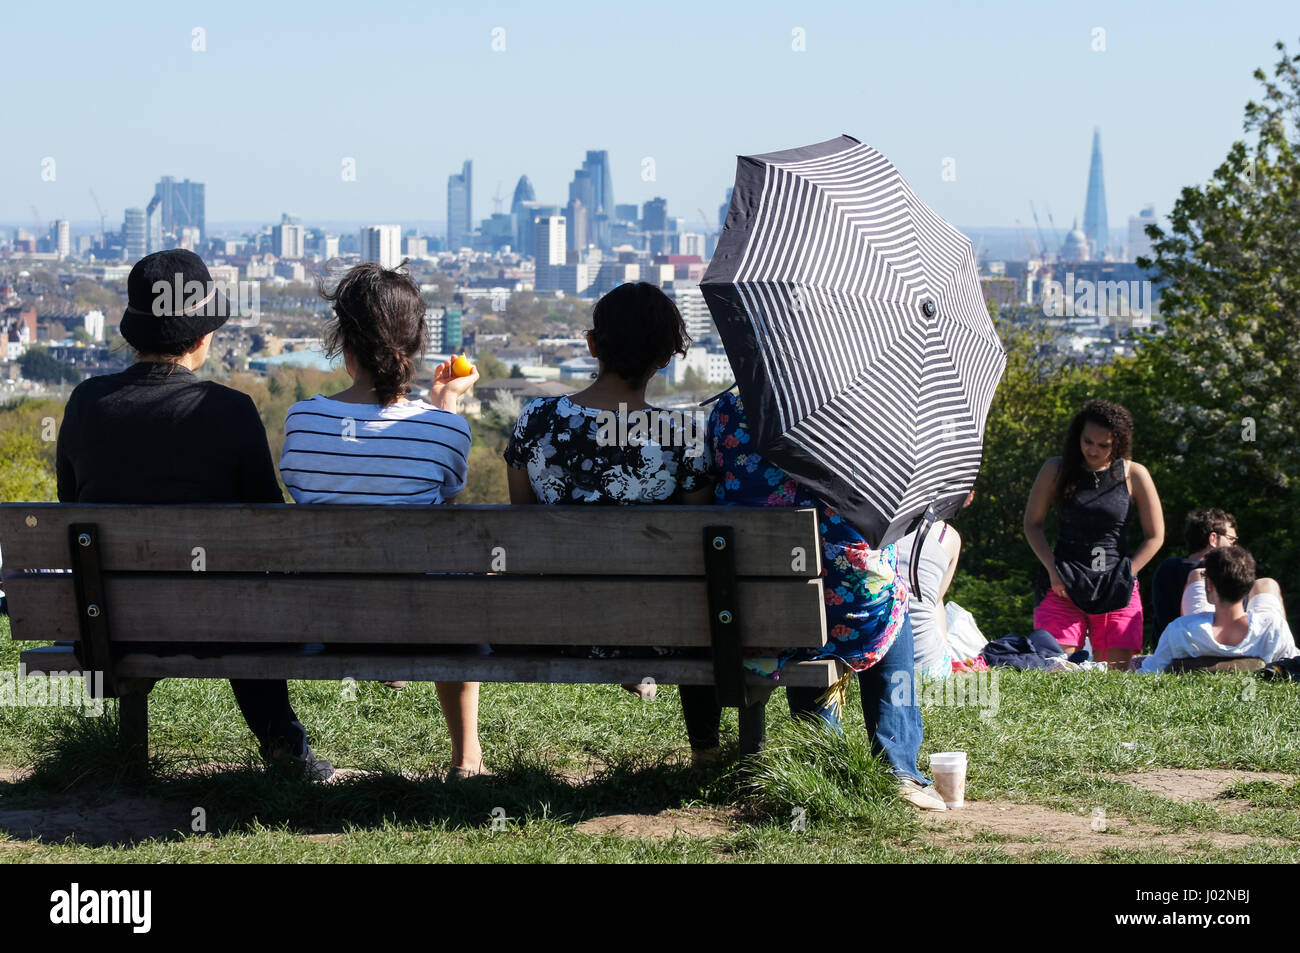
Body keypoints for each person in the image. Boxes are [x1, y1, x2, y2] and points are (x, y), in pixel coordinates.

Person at [55, 249, 333, 781]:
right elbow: (270, 528)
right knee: (241, 594)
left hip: (110, 624)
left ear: (134, 332)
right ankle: (281, 746)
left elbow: (72, 507)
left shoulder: (85, 402)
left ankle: (125, 757)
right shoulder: (228, 411)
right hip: (224, 622)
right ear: (203, 337)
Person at [279, 261, 485, 781]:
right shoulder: (445, 431)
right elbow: (444, 497)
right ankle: (467, 759)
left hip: (323, 621)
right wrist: (444, 408)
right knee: (457, 581)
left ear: (343, 341)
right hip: (423, 620)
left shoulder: (302, 421)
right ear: (415, 345)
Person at [693, 389, 946, 812]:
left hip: (751, 607)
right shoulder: (864, 405)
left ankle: (823, 750)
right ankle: (899, 768)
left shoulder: (728, 410)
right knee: (889, 600)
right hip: (849, 606)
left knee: (802, 610)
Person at [504, 282, 712, 704]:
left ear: (592, 344)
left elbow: (520, 516)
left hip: (549, 626)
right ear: (666, 357)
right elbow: (700, 534)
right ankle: (705, 752)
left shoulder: (536, 419)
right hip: (661, 631)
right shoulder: (683, 434)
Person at [1023, 400, 1164, 668]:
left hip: (1116, 585)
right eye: (1088, 442)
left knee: (1115, 679)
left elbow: (1155, 536)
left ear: (1118, 443)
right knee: (1056, 671)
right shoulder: (1056, 469)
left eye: (1104, 445)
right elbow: (1032, 524)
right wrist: (1052, 569)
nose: (1093, 450)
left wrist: (1129, 573)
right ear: (1077, 437)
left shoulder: (1135, 474)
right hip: (1063, 582)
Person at [1131, 546, 1296, 672]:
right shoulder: (1273, 628)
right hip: (1261, 635)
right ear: (1247, 586)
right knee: (1267, 584)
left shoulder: (1181, 631)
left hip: (1198, 634)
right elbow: (1293, 662)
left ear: (1209, 586)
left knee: (1197, 574)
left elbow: (1149, 671)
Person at [894, 491, 970, 680]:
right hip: (928, 665)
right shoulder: (949, 536)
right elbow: (935, 601)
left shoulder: (872, 527)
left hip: (865, 664)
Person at [1149, 508, 1238, 643]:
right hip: (1204, 648)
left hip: (1165, 649)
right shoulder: (1220, 573)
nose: (1234, 547)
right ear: (1213, 539)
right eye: (1231, 539)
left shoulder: (1166, 567)